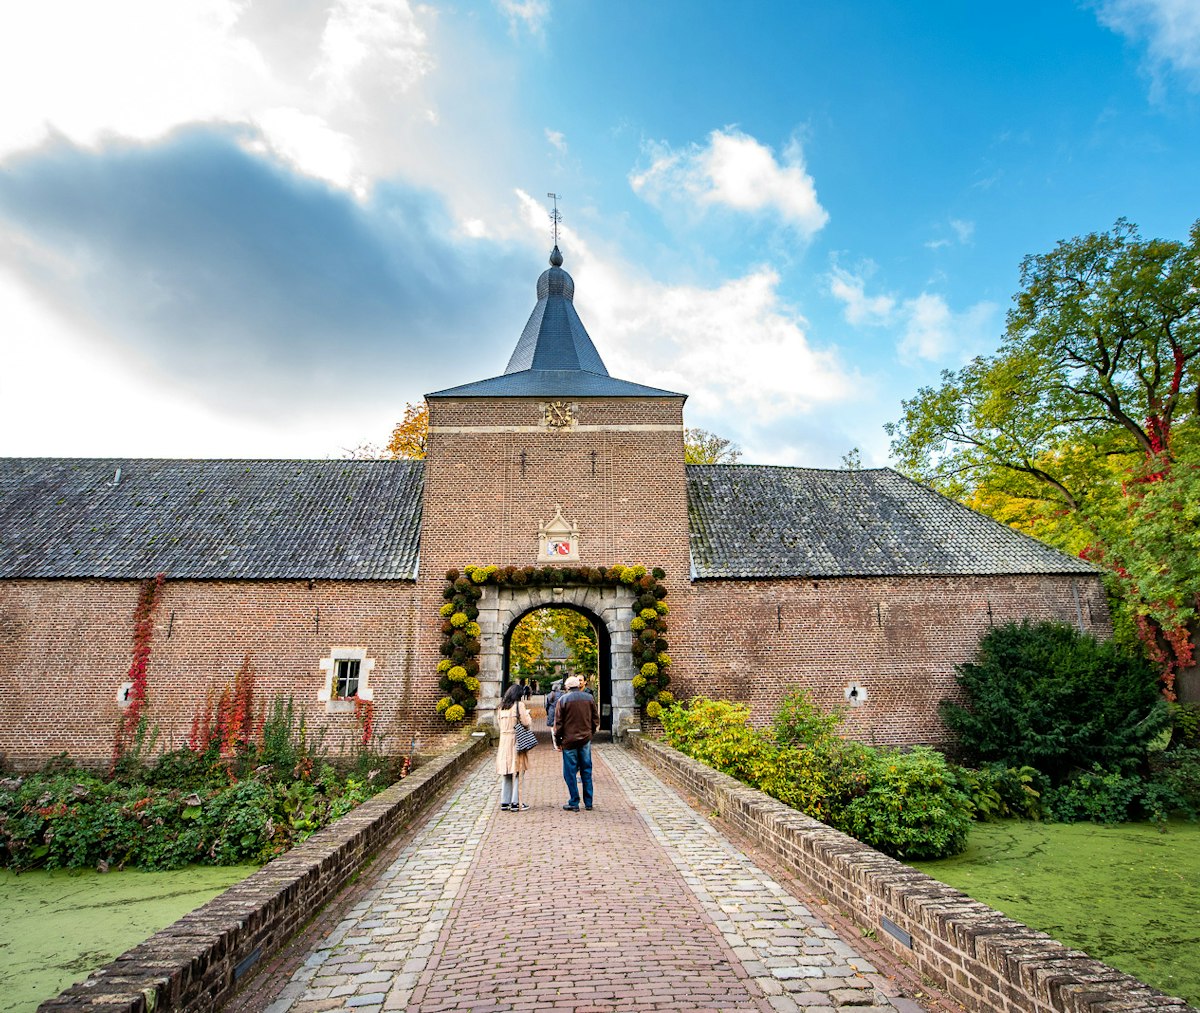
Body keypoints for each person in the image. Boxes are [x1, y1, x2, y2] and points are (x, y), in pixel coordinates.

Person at [553, 674, 599, 812]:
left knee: (570, 773)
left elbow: (558, 724)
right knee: (586, 770)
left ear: (567, 687)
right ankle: (589, 802)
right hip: (585, 740)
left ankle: (574, 801)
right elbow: (595, 720)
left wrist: (558, 741)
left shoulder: (563, 700)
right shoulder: (589, 698)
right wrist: (590, 734)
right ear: (578, 686)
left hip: (569, 741)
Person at [496, 682, 533, 812]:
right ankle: (516, 802)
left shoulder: (501, 707)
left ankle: (504, 801)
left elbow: (498, 724)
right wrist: (528, 715)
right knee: (518, 770)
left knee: (506, 771)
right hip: (516, 740)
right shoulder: (519, 706)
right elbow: (526, 723)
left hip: (503, 741)